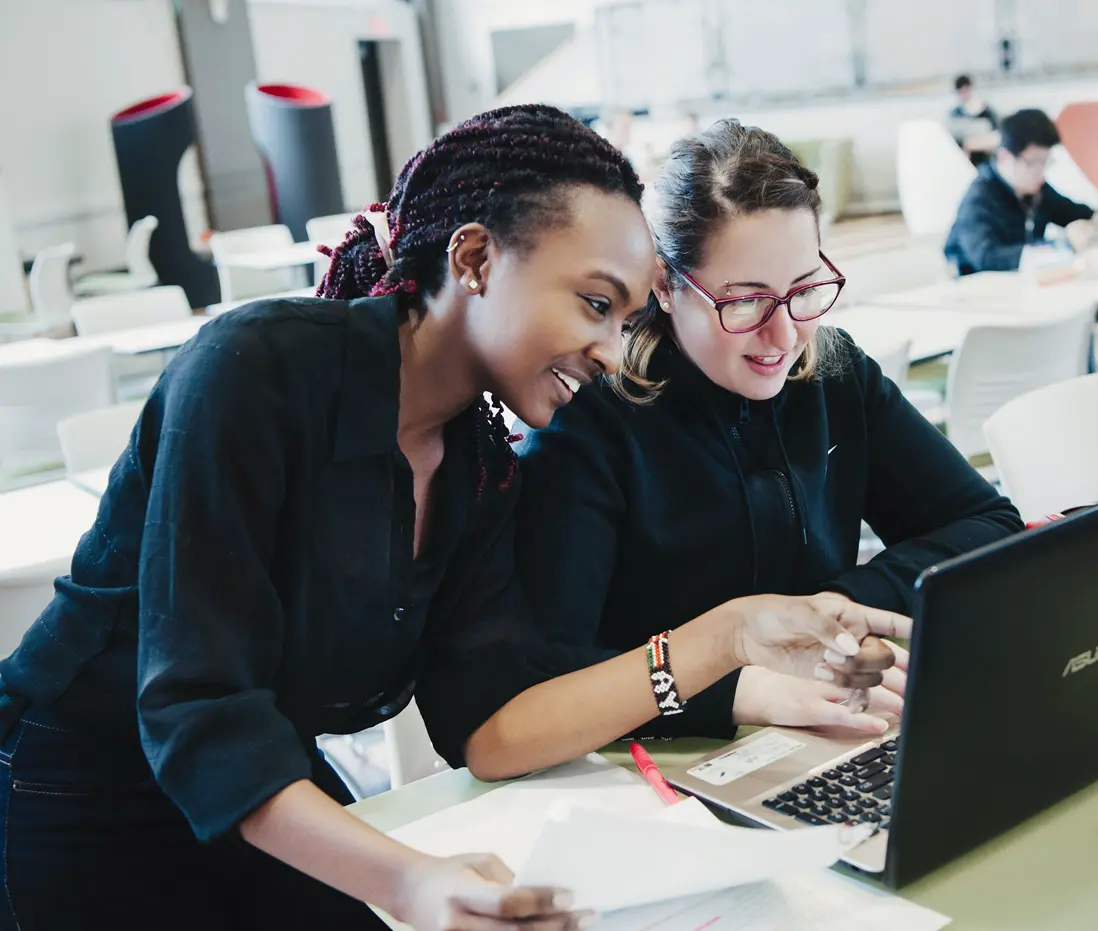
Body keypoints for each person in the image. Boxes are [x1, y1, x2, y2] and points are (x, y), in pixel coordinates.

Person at [0, 104, 897, 931]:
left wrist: (729, 635)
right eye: (593, 303)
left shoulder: (480, 464)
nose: (612, 351)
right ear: (472, 260)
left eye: (626, 319)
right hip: (85, 785)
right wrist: (405, 877)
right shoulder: (253, 372)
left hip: (266, 789)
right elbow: (199, 709)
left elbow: (492, 721)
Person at [463, 119, 1022, 778]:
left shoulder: (834, 371)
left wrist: (823, 613)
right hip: (646, 770)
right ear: (666, 286)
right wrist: (734, 684)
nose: (784, 334)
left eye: (805, 289)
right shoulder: (589, 422)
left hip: (818, 734)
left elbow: (987, 525)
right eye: (746, 300)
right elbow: (550, 677)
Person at [944, 108, 1096, 275]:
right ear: (1005, 157)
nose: (1040, 171)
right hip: (975, 290)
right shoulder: (979, 198)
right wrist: (1061, 246)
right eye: (1033, 163)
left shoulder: (1037, 191)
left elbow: (1079, 214)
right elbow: (986, 257)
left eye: (1045, 162)